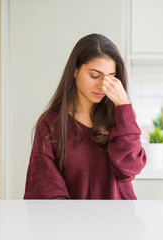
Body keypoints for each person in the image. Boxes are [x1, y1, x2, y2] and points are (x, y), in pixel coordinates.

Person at [23, 33, 147, 199]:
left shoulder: (119, 119)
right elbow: (45, 191)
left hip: (120, 221)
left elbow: (129, 169)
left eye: (111, 78)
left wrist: (124, 106)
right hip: (70, 223)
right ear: (75, 71)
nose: (102, 85)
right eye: (95, 75)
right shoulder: (50, 124)